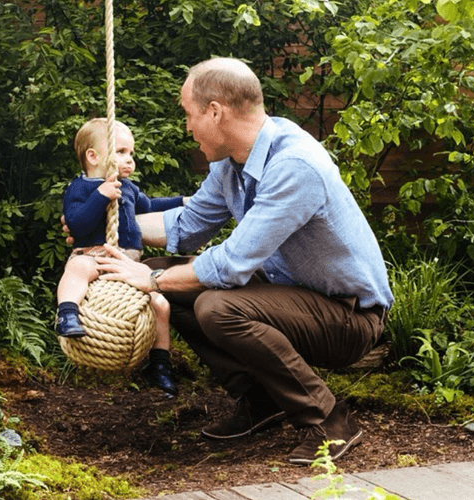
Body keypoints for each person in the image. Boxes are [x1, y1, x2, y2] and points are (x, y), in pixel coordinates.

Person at [65, 57, 394, 465]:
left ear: (214, 111)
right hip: (292, 298)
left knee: (212, 304)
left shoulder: (293, 165)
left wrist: (148, 277)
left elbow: (231, 264)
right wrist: (99, 226)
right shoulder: (231, 163)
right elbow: (186, 226)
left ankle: (330, 421)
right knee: (173, 278)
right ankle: (262, 399)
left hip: (348, 317)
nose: (187, 127)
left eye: (189, 114)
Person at [56, 117, 187, 396]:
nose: (130, 160)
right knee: (78, 267)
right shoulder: (80, 188)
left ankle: (159, 365)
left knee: (160, 305)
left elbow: (150, 206)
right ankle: (67, 313)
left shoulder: (128, 187)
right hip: (94, 256)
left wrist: (183, 201)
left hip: (128, 264)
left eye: (131, 153)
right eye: (121, 152)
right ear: (93, 156)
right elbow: (77, 224)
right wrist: (101, 196)